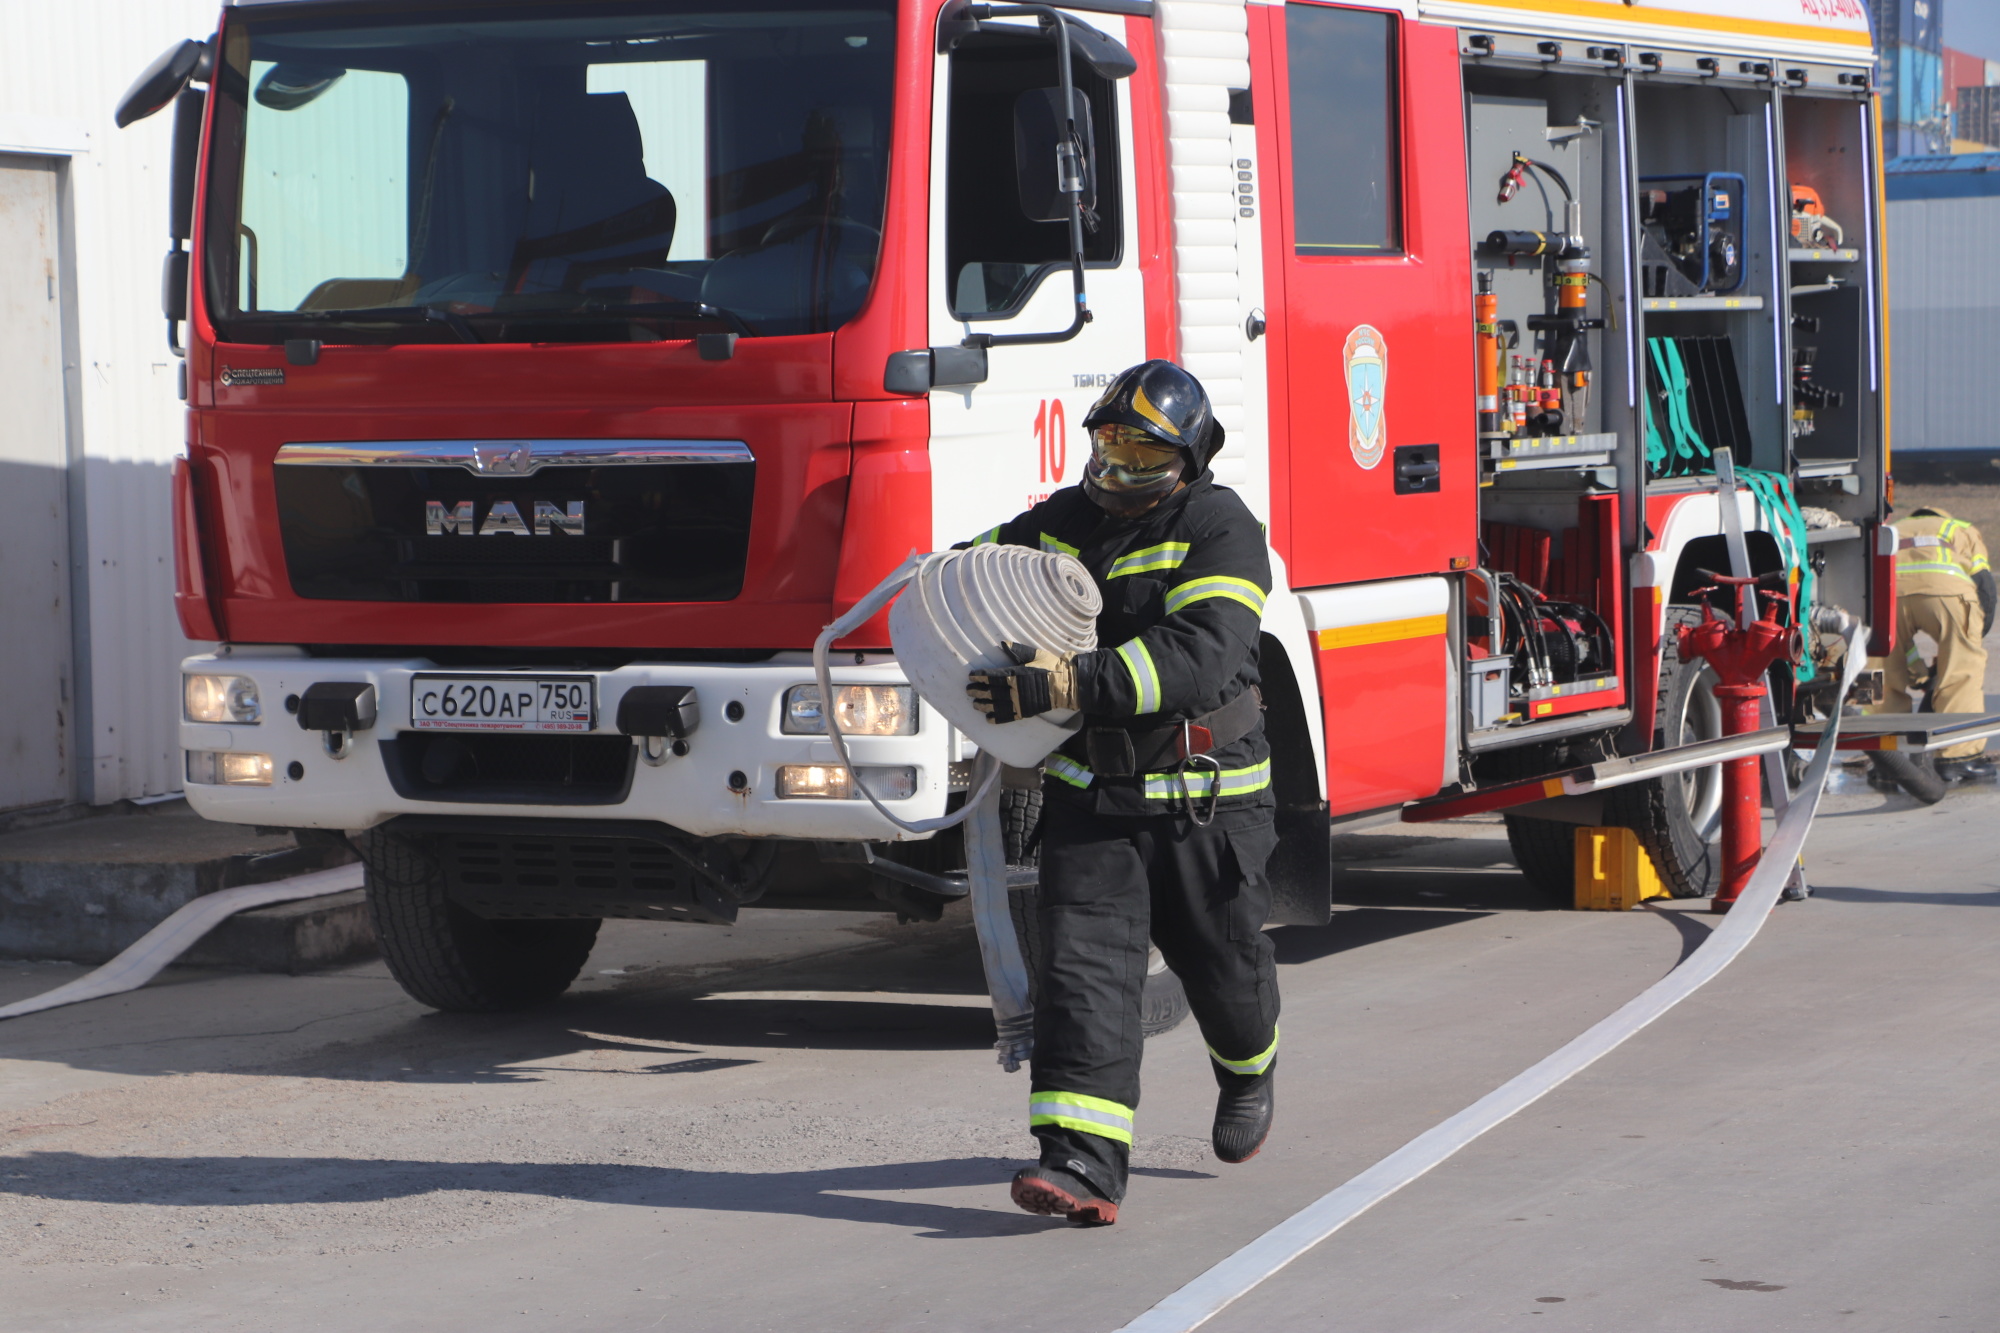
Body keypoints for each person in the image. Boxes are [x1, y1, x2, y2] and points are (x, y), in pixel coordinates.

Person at [962, 360, 1279, 1226]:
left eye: (1144, 453)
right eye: (1110, 445)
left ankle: (1248, 1065)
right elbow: (975, 574)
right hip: (1091, 792)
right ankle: (1081, 1162)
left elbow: (1199, 656)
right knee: (1083, 974)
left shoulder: (1221, 527)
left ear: (1188, 457)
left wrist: (1063, 681)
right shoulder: (1065, 520)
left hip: (1204, 795)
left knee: (1221, 964)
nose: (1121, 468)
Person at [1882, 505, 1996, 782]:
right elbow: (1984, 587)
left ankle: (1886, 760)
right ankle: (1958, 757)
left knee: (1883, 677)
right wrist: (1966, 642)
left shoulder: (1892, 531)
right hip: (1947, 596)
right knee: (1960, 674)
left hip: (1888, 596)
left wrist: (1916, 664)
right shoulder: (1961, 528)